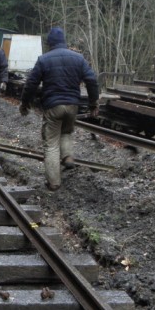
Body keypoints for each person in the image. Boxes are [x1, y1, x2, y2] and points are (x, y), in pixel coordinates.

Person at [19, 27, 99, 191]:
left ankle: (54, 182)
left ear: (50, 43)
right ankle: (68, 156)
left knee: (51, 144)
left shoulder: (43, 59)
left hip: (53, 106)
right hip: (72, 106)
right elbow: (91, 80)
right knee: (67, 131)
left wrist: (25, 103)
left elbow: (31, 84)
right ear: (64, 41)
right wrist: (93, 103)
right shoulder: (78, 58)